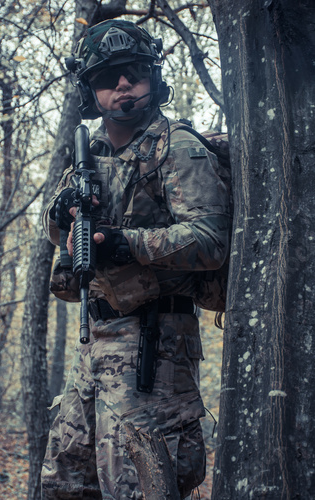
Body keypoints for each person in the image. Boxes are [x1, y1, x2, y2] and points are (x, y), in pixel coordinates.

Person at [41, 19, 230, 500]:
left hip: (155, 352)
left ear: (153, 77)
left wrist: (128, 244)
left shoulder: (177, 147)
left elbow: (210, 240)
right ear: (92, 91)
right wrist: (61, 216)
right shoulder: (90, 157)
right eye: (109, 78)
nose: (123, 85)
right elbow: (64, 258)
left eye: (134, 72)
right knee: (65, 485)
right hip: (93, 351)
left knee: (138, 491)